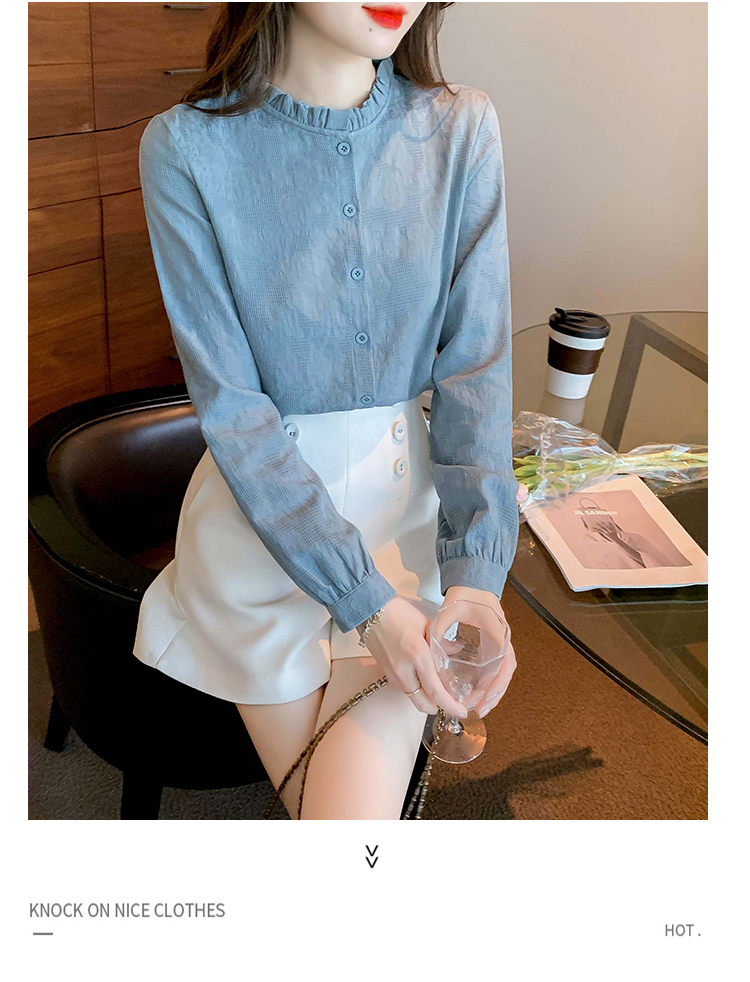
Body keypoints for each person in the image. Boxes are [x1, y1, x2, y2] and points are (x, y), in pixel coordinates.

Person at [132, 2, 519, 820]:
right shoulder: (186, 148)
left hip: (408, 535)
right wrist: (365, 604)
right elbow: (233, 410)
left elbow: (476, 372)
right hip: (259, 535)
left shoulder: (461, 131)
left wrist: (478, 576)